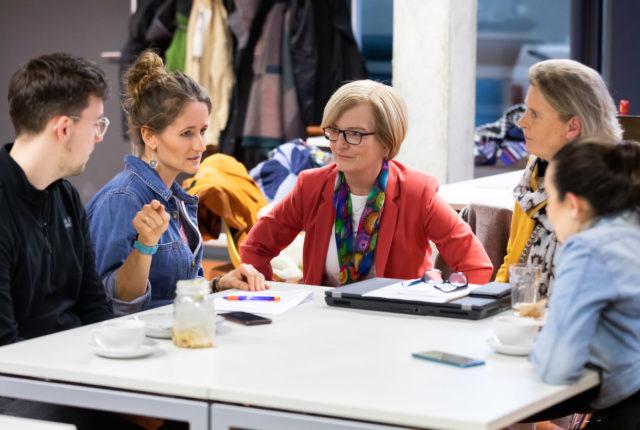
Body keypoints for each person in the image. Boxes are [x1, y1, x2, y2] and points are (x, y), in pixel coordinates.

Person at [0, 53, 147, 429]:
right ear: (64, 128)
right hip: (18, 387)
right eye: (97, 124)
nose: (100, 136)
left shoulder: (65, 196)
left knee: (165, 413)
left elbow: (92, 307)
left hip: (69, 376)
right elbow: (5, 352)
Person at [240, 80, 493, 286]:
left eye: (354, 134)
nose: (339, 144)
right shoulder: (312, 186)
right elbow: (255, 248)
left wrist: (440, 310)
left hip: (395, 329)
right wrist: (266, 295)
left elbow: (476, 266)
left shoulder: (417, 193)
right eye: (334, 131)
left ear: (386, 141)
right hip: (323, 328)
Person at [87, 51, 265, 316]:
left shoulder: (175, 198)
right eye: (186, 134)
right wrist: (145, 245)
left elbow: (172, 292)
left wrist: (218, 285)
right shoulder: (123, 198)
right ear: (150, 136)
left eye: (203, 131)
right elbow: (113, 305)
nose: (201, 145)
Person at [528, 139, 640, 429]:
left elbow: (556, 368)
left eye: (550, 199)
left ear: (573, 204)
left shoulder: (589, 249)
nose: (548, 214)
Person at [495, 59, 623, 296]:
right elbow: (511, 265)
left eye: (534, 114)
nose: (522, 122)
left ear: (572, 127)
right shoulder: (533, 179)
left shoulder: (615, 194)